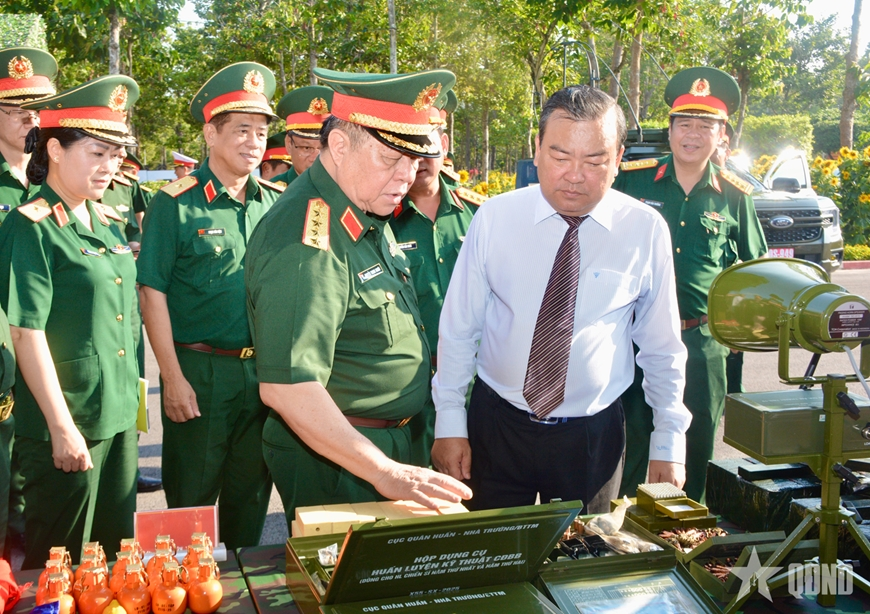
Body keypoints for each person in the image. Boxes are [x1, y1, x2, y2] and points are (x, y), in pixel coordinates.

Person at [431, 85, 691, 514]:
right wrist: (450, 423)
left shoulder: (644, 230)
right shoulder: (496, 218)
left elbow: (661, 346)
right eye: (560, 156)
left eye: (594, 161)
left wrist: (668, 439)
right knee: (488, 561)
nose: (575, 175)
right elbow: (460, 330)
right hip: (496, 427)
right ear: (536, 149)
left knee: (583, 567)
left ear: (619, 159)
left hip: (592, 438)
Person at [245, 68, 471, 527]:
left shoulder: (361, 209)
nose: (406, 175)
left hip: (379, 447)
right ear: (341, 144)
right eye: (391, 157)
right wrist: (384, 471)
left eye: (413, 159)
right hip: (338, 461)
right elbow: (289, 385)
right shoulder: (307, 234)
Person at [137, 62, 283, 549]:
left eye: (261, 131)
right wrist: (172, 378)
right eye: (241, 129)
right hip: (200, 371)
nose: (253, 142)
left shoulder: (277, 203)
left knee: (250, 500)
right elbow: (151, 291)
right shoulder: (175, 204)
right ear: (210, 133)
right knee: (191, 510)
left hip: (262, 374)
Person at [0, 75, 142, 567]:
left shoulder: (105, 221)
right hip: (70, 420)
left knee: (114, 556)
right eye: (97, 153)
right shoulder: (31, 225)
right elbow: (26, 331)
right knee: (61, 564)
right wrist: (61, 427)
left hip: (119, 415)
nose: (110, 166)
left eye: (116, 155)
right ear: (56, 150)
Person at [614, 67, 767, 502]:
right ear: (670, 129)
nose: (693, 135)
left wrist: (741, 331)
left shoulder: (735, 194)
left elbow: (752, 269)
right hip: (633, 335)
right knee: (631, 443)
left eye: (706, 126)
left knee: (695, 445)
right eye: (685, 124)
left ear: (723, 136)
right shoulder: (631, 179)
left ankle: (685, 540)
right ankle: (620, 536)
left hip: (701, 341)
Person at [390, 92, 486, 465]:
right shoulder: (380, 218)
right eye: (408, 148)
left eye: (427, 145)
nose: (420, 160)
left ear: (444, 145)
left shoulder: (480, 214)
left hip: (475, 385)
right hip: (408, 386)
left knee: (473, 492)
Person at [0, 46, 57, 560]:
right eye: (17, 112)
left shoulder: (53, 176)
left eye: (37, 111)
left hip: (49, 331)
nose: (31, 121)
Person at [269, 85, 333, 186]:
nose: (315, 158)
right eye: (307, 148)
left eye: (324, 149)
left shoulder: (346, 190)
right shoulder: (273, 194)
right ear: (289, 144)